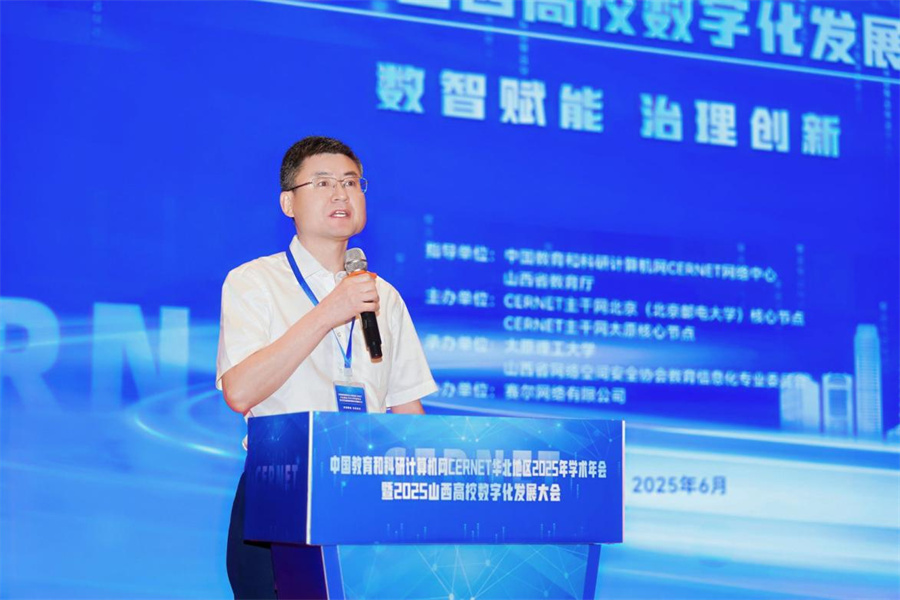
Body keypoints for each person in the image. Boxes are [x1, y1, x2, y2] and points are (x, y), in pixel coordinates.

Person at [216, 136, 437, 599]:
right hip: (280, 491)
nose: (341, 193)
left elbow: (407, 411)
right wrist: (328, 312)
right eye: (322, 183)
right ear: (288, 203)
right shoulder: (254, 282)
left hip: (367, 493)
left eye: (351, 182)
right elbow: (240, 391)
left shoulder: (384, 296)